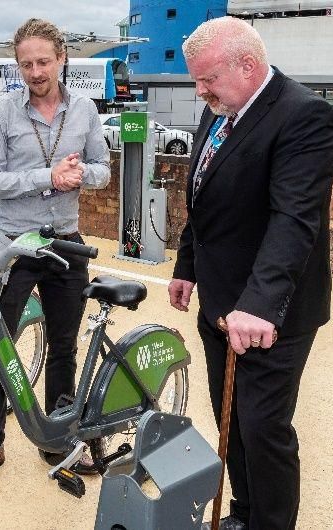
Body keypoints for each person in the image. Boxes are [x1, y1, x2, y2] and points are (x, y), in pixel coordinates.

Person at [168, 17, 333, 530]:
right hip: (219, 302)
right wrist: (186, 266)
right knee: (229, 418)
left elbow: (294, 219)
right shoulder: (221, 109)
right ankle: (243, 513)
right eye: (196, 81)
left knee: (263, 427)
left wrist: (259, 305)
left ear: (247, 64)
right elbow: (202, 197)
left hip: (271, 312)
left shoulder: (304, 116)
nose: (200, 92)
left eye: (207, 79)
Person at [0, 18, 110, 486]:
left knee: (65, 343)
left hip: (65, 241)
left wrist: (77, 174)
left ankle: (57, 441)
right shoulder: (3, 112)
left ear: (62, 58)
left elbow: (104, 171)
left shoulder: (85, 110)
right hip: (14, 245)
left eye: (43, 61)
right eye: (26, 63)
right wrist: (47, 177)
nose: (35, 71)